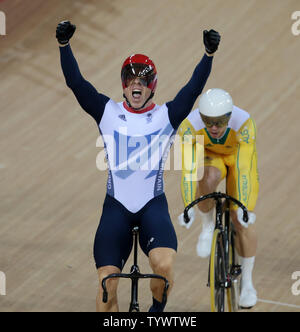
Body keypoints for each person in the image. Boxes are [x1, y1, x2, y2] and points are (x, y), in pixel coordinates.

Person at [56, 20, 220, 312]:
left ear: (151, 87)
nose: (136, 84)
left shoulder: (166, 115)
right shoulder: (107, 111)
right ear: (124, 85)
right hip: (116, 209)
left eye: (142, 81)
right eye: (131, 79)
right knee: (107, 286)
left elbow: (193, 88)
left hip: (151, 208)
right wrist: (64, 47)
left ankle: (155, 314)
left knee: (164, 265)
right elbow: (76, 83)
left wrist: (208, 55)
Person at [178, 88, 259, 309]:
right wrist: (189, 207)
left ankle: (248, 283)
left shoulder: (244, 125)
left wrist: (243, 209)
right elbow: (188, 171)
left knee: (240, 219)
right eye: (208, 122)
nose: (213, 128)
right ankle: (207, 228)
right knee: (207, 176)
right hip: (211, 156)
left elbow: (243, 169)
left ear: (229, 117)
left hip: (238, 159)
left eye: (220, 122)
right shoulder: (189, 127)